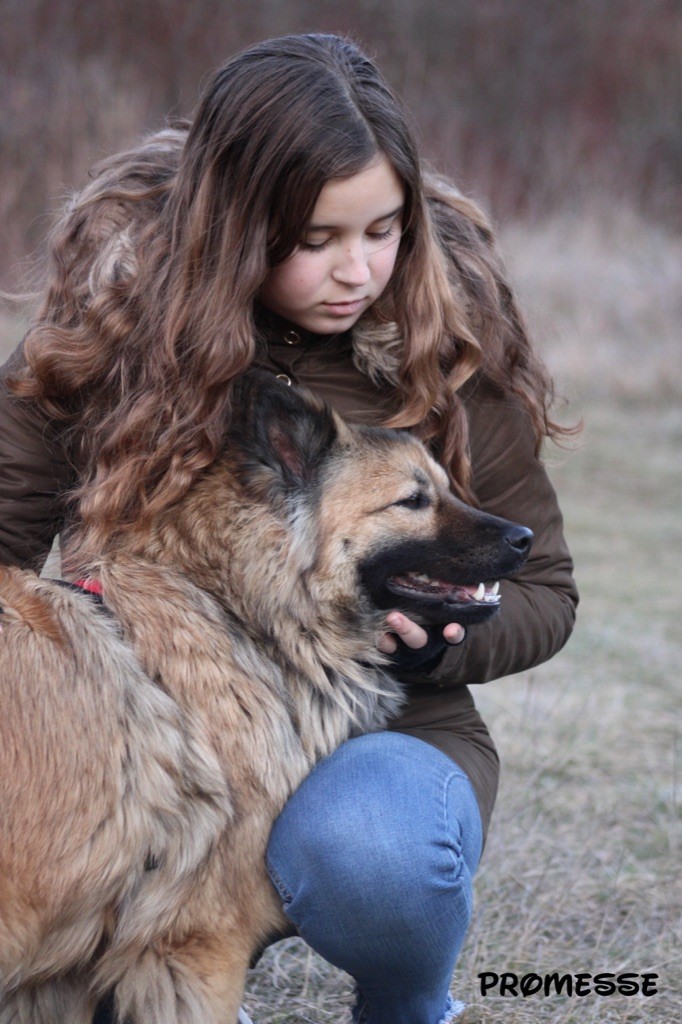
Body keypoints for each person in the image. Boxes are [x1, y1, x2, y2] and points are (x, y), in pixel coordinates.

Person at [0, 33, 578, 1024]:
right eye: (313, 241)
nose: (356, 270)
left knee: (372, 858)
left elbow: (544, 592)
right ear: (234, 228)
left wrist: (442, 644)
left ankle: (405, 1003)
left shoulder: (448, 336)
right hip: (150, 745)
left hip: (381, 733)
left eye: (383, 230)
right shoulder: (116, 320)